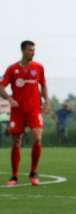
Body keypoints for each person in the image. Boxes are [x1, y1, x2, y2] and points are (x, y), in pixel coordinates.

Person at [0, 40, 50, 186]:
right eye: (30, 50)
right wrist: (9, 98)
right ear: (23, 51)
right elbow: (1, 86)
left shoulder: (38, 67)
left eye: (34, 50)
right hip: (18, 111)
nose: (33, 52)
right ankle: (14, 176)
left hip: (34, 109)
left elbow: (43, 85)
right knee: (16, 141)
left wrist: (46, 101)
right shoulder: (12, 69)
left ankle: (33, 173)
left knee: (38, 139)